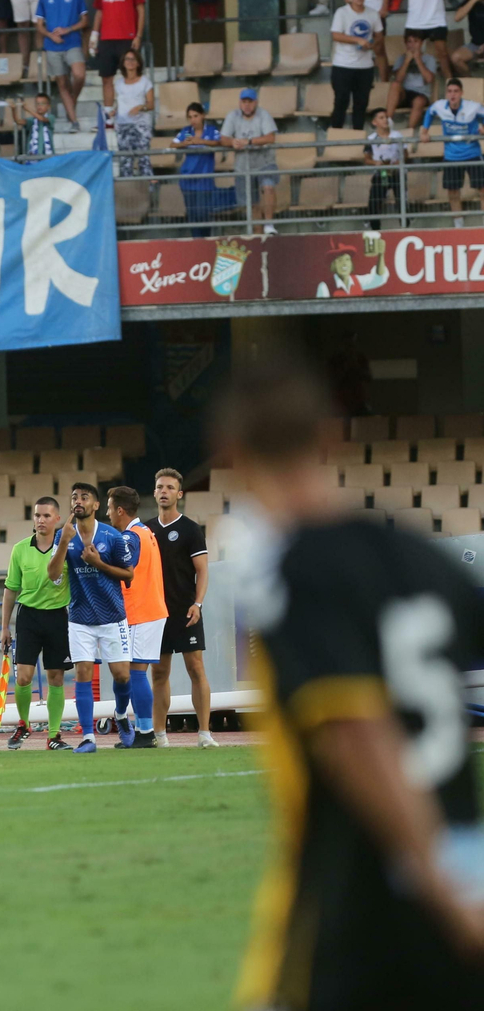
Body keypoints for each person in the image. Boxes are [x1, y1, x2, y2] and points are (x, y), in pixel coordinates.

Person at [220, 358, 484, 1010]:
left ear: (229, 453)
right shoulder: (422, 558)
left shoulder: (295, 573)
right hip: (468, 882)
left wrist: (441, 891)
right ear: (331, 436)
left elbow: (357, 734)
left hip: (358, 905)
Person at [45, 481, 133, 754]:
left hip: (112, 616)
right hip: (80, 617)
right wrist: (64, 543)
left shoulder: (112, 536)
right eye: (74, 497)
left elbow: (129, 574)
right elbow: (52, 574)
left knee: (121, 676)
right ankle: (87, 737)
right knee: (82, 673)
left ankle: (120, 715)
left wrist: (99, 564)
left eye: (84, 497)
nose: (78, 501)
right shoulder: (63, 535)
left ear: (96, 505)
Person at [145, 468, 213, 749]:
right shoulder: (145, 530)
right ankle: (160, 736)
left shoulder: (190, 529)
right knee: (159, 673)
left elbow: (203, 571)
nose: (164, 491)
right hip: (155, 613)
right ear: (154, 492)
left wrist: (197, 604)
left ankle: (205, 734)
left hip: (186, 612)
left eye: (170, 487)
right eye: (160, 487)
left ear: (179, 494)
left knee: (195, 669)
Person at [0, 495, 70, 751]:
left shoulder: (66, 548)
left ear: (57, 520)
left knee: (56, 678)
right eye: (37, 515)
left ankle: (54, 735)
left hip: (57, 616)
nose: (41, 520)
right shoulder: (20, 549)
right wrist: (4, 627)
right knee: (23, 678)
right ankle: (24, 724)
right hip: (28, 617)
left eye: (46, 515)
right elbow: (10, 590)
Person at [103, 486, 161, 749]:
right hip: (151, 609)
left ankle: (146, 732)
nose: (107, 513)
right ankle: (135, 725)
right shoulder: (146, 533)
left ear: (119, 510)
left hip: (140, 611)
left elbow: (124, 570)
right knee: (130, 674)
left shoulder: (130, 538)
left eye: (109, 507)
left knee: (135, 674)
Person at [421, 77, 483, 228]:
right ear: (446, 93)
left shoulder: (473, 107)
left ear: (461, 92)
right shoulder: (439, 106)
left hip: (472, 154)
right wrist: (424, 131)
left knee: (482, 189)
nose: (452, 94)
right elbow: (429, 112)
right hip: (451, 156)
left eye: (456, 91)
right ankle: (458, 224)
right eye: (449, 91)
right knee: (453, 192)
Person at [35, 0, 86, 133]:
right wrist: (50, 35)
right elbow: (39, 25)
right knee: (62, 84)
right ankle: (74, 121)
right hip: (52, 46)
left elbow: (85, 20)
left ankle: (72, 101)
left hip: (72, 41)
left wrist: (68, 29)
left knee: (79, 75)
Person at [90, 0, 142, 118]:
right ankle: (108, 118)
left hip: (126, 39)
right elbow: (99, 12)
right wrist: (94, 35)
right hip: (106, 39)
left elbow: (141, 10)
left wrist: (138, 35)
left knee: (131, 77)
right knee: (107, 79)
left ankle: (131, 112)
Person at [390, 0, 453, 85]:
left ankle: (450, 84)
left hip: (436, 19)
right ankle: (412, 88)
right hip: (415, 21)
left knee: (442, 53)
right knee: (412, 55)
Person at [220, 88, 279, 235]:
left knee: (268, 187)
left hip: (265, 162)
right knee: (251, 203)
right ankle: (258, 235)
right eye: (244, 102)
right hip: (243, 166)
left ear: (256, 103)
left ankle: (269, 225)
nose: (247, 105)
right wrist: (232, 142)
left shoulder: (263, 114)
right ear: (240, 103)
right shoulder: (232, 116)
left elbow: (270, 138)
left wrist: (249, 141)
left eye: (250, 102)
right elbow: (223, 139)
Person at [329, 0, 380, 131]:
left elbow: (379, 35)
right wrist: (356, 39)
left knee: (361, 103)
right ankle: (336, 136)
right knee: (341, 101)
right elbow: (336, 35)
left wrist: (372, 44)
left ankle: (358, 136)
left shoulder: (372, 13)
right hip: (343, 64)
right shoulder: (342, 12)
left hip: (365, 66)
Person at [172, 100, 225, 236]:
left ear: (203, 116)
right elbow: (173, 144)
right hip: (187, 180)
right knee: (193, 215)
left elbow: (219, 142)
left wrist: (202, 142)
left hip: (204, 180)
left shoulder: (211, 130)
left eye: (196, 116)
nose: (193, 120)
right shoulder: (187, 132)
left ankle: (204, 243)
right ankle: (197, 244)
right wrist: (185, 143)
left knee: (203, 214)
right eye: (190, 117)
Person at [112, 47, 152, 176]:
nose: (130, 62)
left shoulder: (145, 81)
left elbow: (151, 104)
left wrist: (140, 107)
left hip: (141, 125)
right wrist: (114, 111)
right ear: (123, 62)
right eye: (127, 59)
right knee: (125, 160)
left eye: (133, 59)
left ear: (138, 63)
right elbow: (120, 103)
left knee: (143, 159)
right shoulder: (118, 83)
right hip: (123, 124)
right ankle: (127, 192)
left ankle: (148, 190)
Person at [388, 29, 436, 132]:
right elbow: (398, 79)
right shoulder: (401, 58)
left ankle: (409, 130)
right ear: (405, 44)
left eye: (416, 41)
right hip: (404, 93)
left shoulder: (429, 59)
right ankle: (388, 122)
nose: (412, 45)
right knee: (395, 85)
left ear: (421, 43)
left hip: (421, 94)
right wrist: (406, 61)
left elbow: (429, 79)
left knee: (419, 101)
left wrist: (418, 59)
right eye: (409, 41)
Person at [365, 105, 404, 228]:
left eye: (386, 117)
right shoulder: (370, 139)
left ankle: (405, 227)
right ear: (374, 122)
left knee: (402, 201)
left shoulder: (397, 135)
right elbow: (367, 158)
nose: (385, 120)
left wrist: (399, 162)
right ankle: (375, 229)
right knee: (374, 202)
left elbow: (405, 154)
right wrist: (375, 163)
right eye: (381, 118)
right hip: (382, 173)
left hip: (397, 173)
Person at [450, 0, 484, 76]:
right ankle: (472, 83)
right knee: (455, 58)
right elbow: (457, 17)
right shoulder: (470, 0)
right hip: (475, 45)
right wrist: (474, 0)